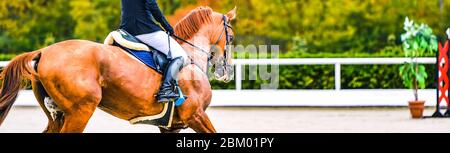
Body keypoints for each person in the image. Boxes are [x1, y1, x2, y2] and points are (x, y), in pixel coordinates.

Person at [119, 0, 188, 103]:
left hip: (126, 28)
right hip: (143, 28)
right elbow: (152, 5)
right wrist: (167, 26)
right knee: (181, 55)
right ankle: (166, 89)